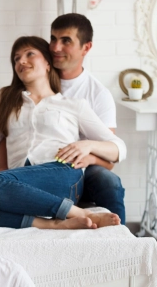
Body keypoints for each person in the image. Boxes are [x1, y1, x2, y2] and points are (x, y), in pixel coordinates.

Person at [0, 36, 126, 230]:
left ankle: (79, 212)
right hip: (16, 176)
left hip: (61, 172)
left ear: (48, 63)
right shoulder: (5, 99)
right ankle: (51, 224)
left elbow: (119, 148)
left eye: (29, 54)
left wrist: (88, 145)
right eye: (16, 59)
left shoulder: (73, 105)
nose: (21, 61)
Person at [50, 13, 126, 223]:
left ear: (86, 47)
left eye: (66, 41)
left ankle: (120, 243)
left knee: (108, 180)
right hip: (45, 163)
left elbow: (110, 159)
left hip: (84, 170)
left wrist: (89, 155)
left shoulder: (98, 94)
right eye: (53, 39)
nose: (56, 48)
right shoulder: (40, 79)